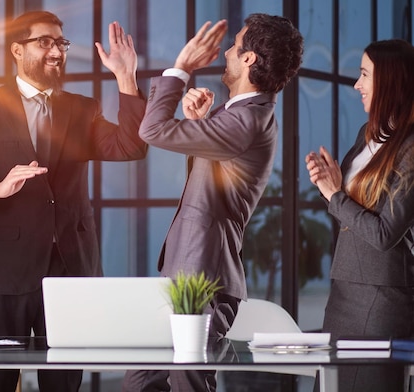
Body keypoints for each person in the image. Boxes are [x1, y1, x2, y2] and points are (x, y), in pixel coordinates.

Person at [0, 10, 147, 392]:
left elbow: (131, 147)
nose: (56, 51)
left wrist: (125, 77)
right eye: (44, 42)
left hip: (71, 270)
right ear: (17, 49)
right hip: (4, 272)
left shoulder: (83, 109)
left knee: (64, 383)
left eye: (60, 43)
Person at [122, 14, 303, 392]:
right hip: (190, 269)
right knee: (141, 380)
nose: (226, 53)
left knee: (187, 381)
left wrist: (182, 68)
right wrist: (201, 123)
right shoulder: (237, 114)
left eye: (235, 47)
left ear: (249, 59)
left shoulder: (247, 120)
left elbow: (152, 130)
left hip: (203, 273)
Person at [305, 39, 414, 392]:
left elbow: (384, 235)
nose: (357, 84)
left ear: (390, 81)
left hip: (381, 300)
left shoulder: (411, 148)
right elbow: (351, 217)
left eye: (364, 74)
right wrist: (331, 185)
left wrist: (335, 194)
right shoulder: (367, 135)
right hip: (345, 293)